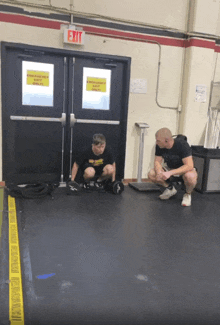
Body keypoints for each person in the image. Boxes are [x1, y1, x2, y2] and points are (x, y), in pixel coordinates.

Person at [148, 128, 197, 206]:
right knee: (152, 173)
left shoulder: (182, 145)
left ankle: (187, 194)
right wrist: (159, 172)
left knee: (190, 176)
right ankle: (170, 189)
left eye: (158, 141)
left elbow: (189, 165)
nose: (156, 143)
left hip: (184, 170)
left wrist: (170, 173)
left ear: (167, 140)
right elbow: (157, 161)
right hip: (170, 169)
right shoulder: (159, 146)